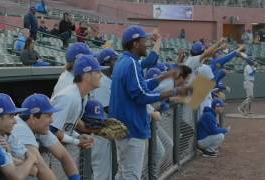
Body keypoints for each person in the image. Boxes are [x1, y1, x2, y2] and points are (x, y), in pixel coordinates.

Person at [109, 25, 192, 179]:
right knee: (131, 175)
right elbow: (142, 96)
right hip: (132, 127)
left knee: (122, 173)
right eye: (144, 40)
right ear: (135, 43)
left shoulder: (124, 61)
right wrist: (173, 91)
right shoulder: (131, 63)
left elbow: (143, 86)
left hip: (123, 127)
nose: (146, 43)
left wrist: (164, 76)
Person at [49, 55, 103, 179]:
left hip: (58, 149)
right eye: (97, 72)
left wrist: (79, 135)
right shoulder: (68, 96)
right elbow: (51, 130)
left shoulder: (80, 95)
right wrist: (77, 141)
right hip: (47, 151)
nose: (101, 75)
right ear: (86, 76)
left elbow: (64, 127)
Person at [12, 94, 81, 180]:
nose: (52, 120)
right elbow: (42, 169)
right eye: (48, 116)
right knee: (34, 170)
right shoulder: (20, 128)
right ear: (33, 117)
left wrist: (75, 178)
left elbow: (63, 155)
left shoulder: (37, 127)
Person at [0, 93, 37, 179]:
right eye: (11, 116)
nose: (15, 121)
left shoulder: (6, 133)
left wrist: (10, 154)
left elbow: (34, 170)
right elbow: (17, 176)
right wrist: (31, 159)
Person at [88, 48, 118, 180]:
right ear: (107, 63)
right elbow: (107, 110)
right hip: (99, 133)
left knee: (104, 171)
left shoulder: (105, 80)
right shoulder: (103, 82)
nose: (117, 63)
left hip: (102, 132)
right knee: (102, 173)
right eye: (114, 60)